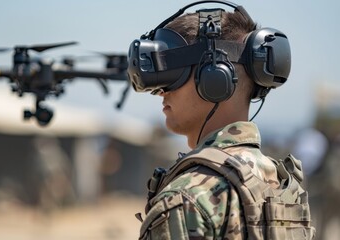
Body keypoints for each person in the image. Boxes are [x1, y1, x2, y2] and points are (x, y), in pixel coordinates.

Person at [127, 1, 315, 239]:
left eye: (172, 75)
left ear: (214, 77)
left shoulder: (188, 198)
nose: (162, 91)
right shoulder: (283, 187)